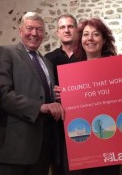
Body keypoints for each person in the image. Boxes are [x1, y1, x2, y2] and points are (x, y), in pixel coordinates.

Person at [0, 12, 65, 175]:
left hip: (42, 151)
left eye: (39, 30)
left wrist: (57, 97)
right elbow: (1, 94)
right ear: (20, 30)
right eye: (30, 28)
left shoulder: (47, 63)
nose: (34, 33)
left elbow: (44, 95)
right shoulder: (6, 52)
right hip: (12, 148)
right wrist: (40, 107)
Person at [71, 18, 120, 175]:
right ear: (81, 40)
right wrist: (64, 95)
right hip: (82, 146)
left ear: (104, 40)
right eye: (86, 34)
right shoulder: (73, 73)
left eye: (96, 34)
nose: (90, 38)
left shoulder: (115, 68)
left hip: (110, 145)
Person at [45, 13, 79, 175]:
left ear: (77, 30)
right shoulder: (48, 59)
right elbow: (42, 91)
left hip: (83, 119)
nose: (66, 30)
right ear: (57, 32)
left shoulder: (86, 56)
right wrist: (52, 94)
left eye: (70, 26)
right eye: (62, 27)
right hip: (57, 126)